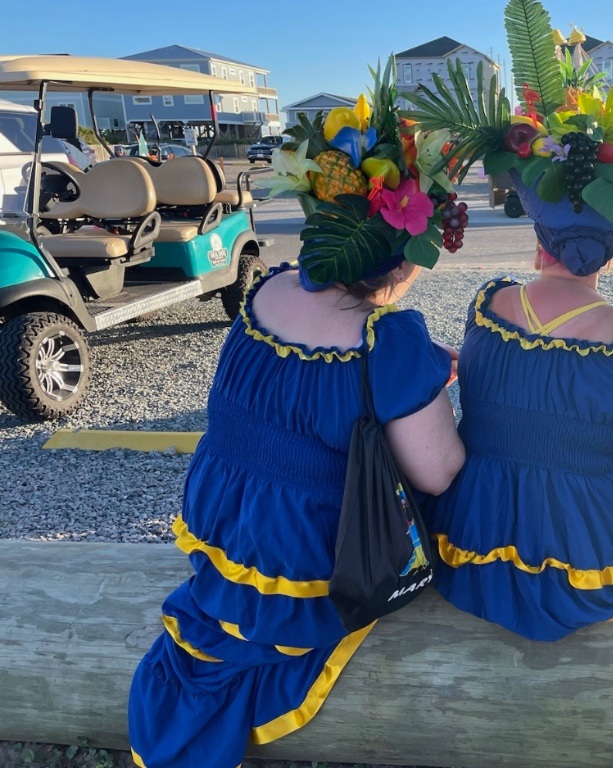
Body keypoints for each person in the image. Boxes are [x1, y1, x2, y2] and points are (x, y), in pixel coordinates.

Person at [127, 68, 465, 768]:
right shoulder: (387, 339)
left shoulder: (268, 291)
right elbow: (437, 472)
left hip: (228, 517)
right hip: (300, 551)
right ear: (403, 253)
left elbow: (296, 391)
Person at [410, 1, 613, 641]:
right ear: (610, 248)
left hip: (477, 543)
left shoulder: (487, 306)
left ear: (537, 240)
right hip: (594, 549)